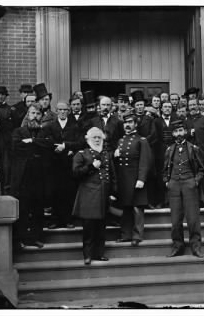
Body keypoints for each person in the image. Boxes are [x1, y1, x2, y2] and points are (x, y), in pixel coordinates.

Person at [72, 127, 117, 265]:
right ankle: (88, 255)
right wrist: (91, 166)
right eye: (94, 138)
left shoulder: (106, 154)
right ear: (88, 139)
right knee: (89, 228)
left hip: (103, 194)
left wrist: (113, 192)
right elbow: (76, 173)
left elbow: (113, 175)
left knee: (101, 227)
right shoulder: (81, 154)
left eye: (99, 138)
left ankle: (99, 254)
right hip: (89, 196)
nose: (97, 140)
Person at [10, 104, 52, 248]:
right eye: (32, 113)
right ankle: (21, 238)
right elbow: (16, 146)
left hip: (39, 176)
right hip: (24, 177)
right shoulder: (19, 131)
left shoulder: (45, 131)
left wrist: (33, 142)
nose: (35, 116)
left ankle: (36, 238)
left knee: (37, 209)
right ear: (28, 115)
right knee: (23, 208)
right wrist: (36, 145)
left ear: (41, 116)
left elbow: (49, 144)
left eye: (37, 113)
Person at [163, 120, 204, 258]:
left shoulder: (193, 148)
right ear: (173, 133)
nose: (179, 134)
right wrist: (167, 182)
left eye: (181, 131)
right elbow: (165, 170)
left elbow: (201, 170)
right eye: (176, 131)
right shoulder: (169, 150)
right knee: (175, 221)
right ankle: (177, 246)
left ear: (185, 132)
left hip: (189, 184)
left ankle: (196, 247)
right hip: (174, 185)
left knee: (193, 219)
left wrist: (195, 181)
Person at [114, 110, 152, 246]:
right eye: (125, 123)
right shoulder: (120, 141)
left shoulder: (141, 141)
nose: (127, 125)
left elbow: (145, 161)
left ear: (136, 124)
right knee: (126, 208)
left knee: (137, 208)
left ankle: (137, 235)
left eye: (130, 122)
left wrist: (141, 179)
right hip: (124, 180)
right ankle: (126, 235)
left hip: (136, 179)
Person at [45, 101, 84, 229]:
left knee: (68, 191)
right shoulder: (50, 126)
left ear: (68, 111)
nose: (62, 112)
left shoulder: (75, 126)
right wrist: (54, 148)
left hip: (69, 163)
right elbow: (46, 140)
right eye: (60, 110)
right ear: (56, 111)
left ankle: (68, 219)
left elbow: (80, 142)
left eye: (65, 110)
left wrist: (68, 147)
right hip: (55, 163)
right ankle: (54, 219)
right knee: (55, 191)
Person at [0, 86, 14, 194]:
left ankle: (6, 189)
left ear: (6, 96)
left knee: (6, 166)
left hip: (6, 143)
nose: (0, 97)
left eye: (2, 94)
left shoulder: (10, 110)